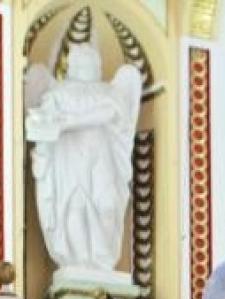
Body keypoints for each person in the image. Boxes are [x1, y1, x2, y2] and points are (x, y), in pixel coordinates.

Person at [25, 42, 141, 272]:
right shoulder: (57, 93)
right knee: (74, 206)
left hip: (102, 157)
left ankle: (103, 259)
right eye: (82, 59)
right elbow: (40, 122)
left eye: (92, 59)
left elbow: (110, 114)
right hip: (69, 158)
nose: (88, 63)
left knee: (107, 205)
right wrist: (42, 131)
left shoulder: (111, 92)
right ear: (73, 64)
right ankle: (76, 262)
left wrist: (67, 121)